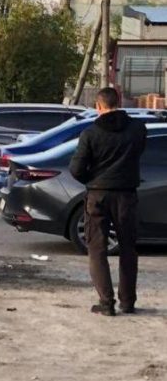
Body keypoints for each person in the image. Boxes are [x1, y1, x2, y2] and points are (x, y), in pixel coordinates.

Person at [69, 87, 146, 316]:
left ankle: (106, 302)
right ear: (119, 101)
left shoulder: (90, 134)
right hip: (126, 194)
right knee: (128, 249)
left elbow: (76, 169)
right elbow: (139, 152)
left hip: (98, 195)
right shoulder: (137, 129)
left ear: (98, 106)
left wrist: (92, 180)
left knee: (97, 248)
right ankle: (128, 301)